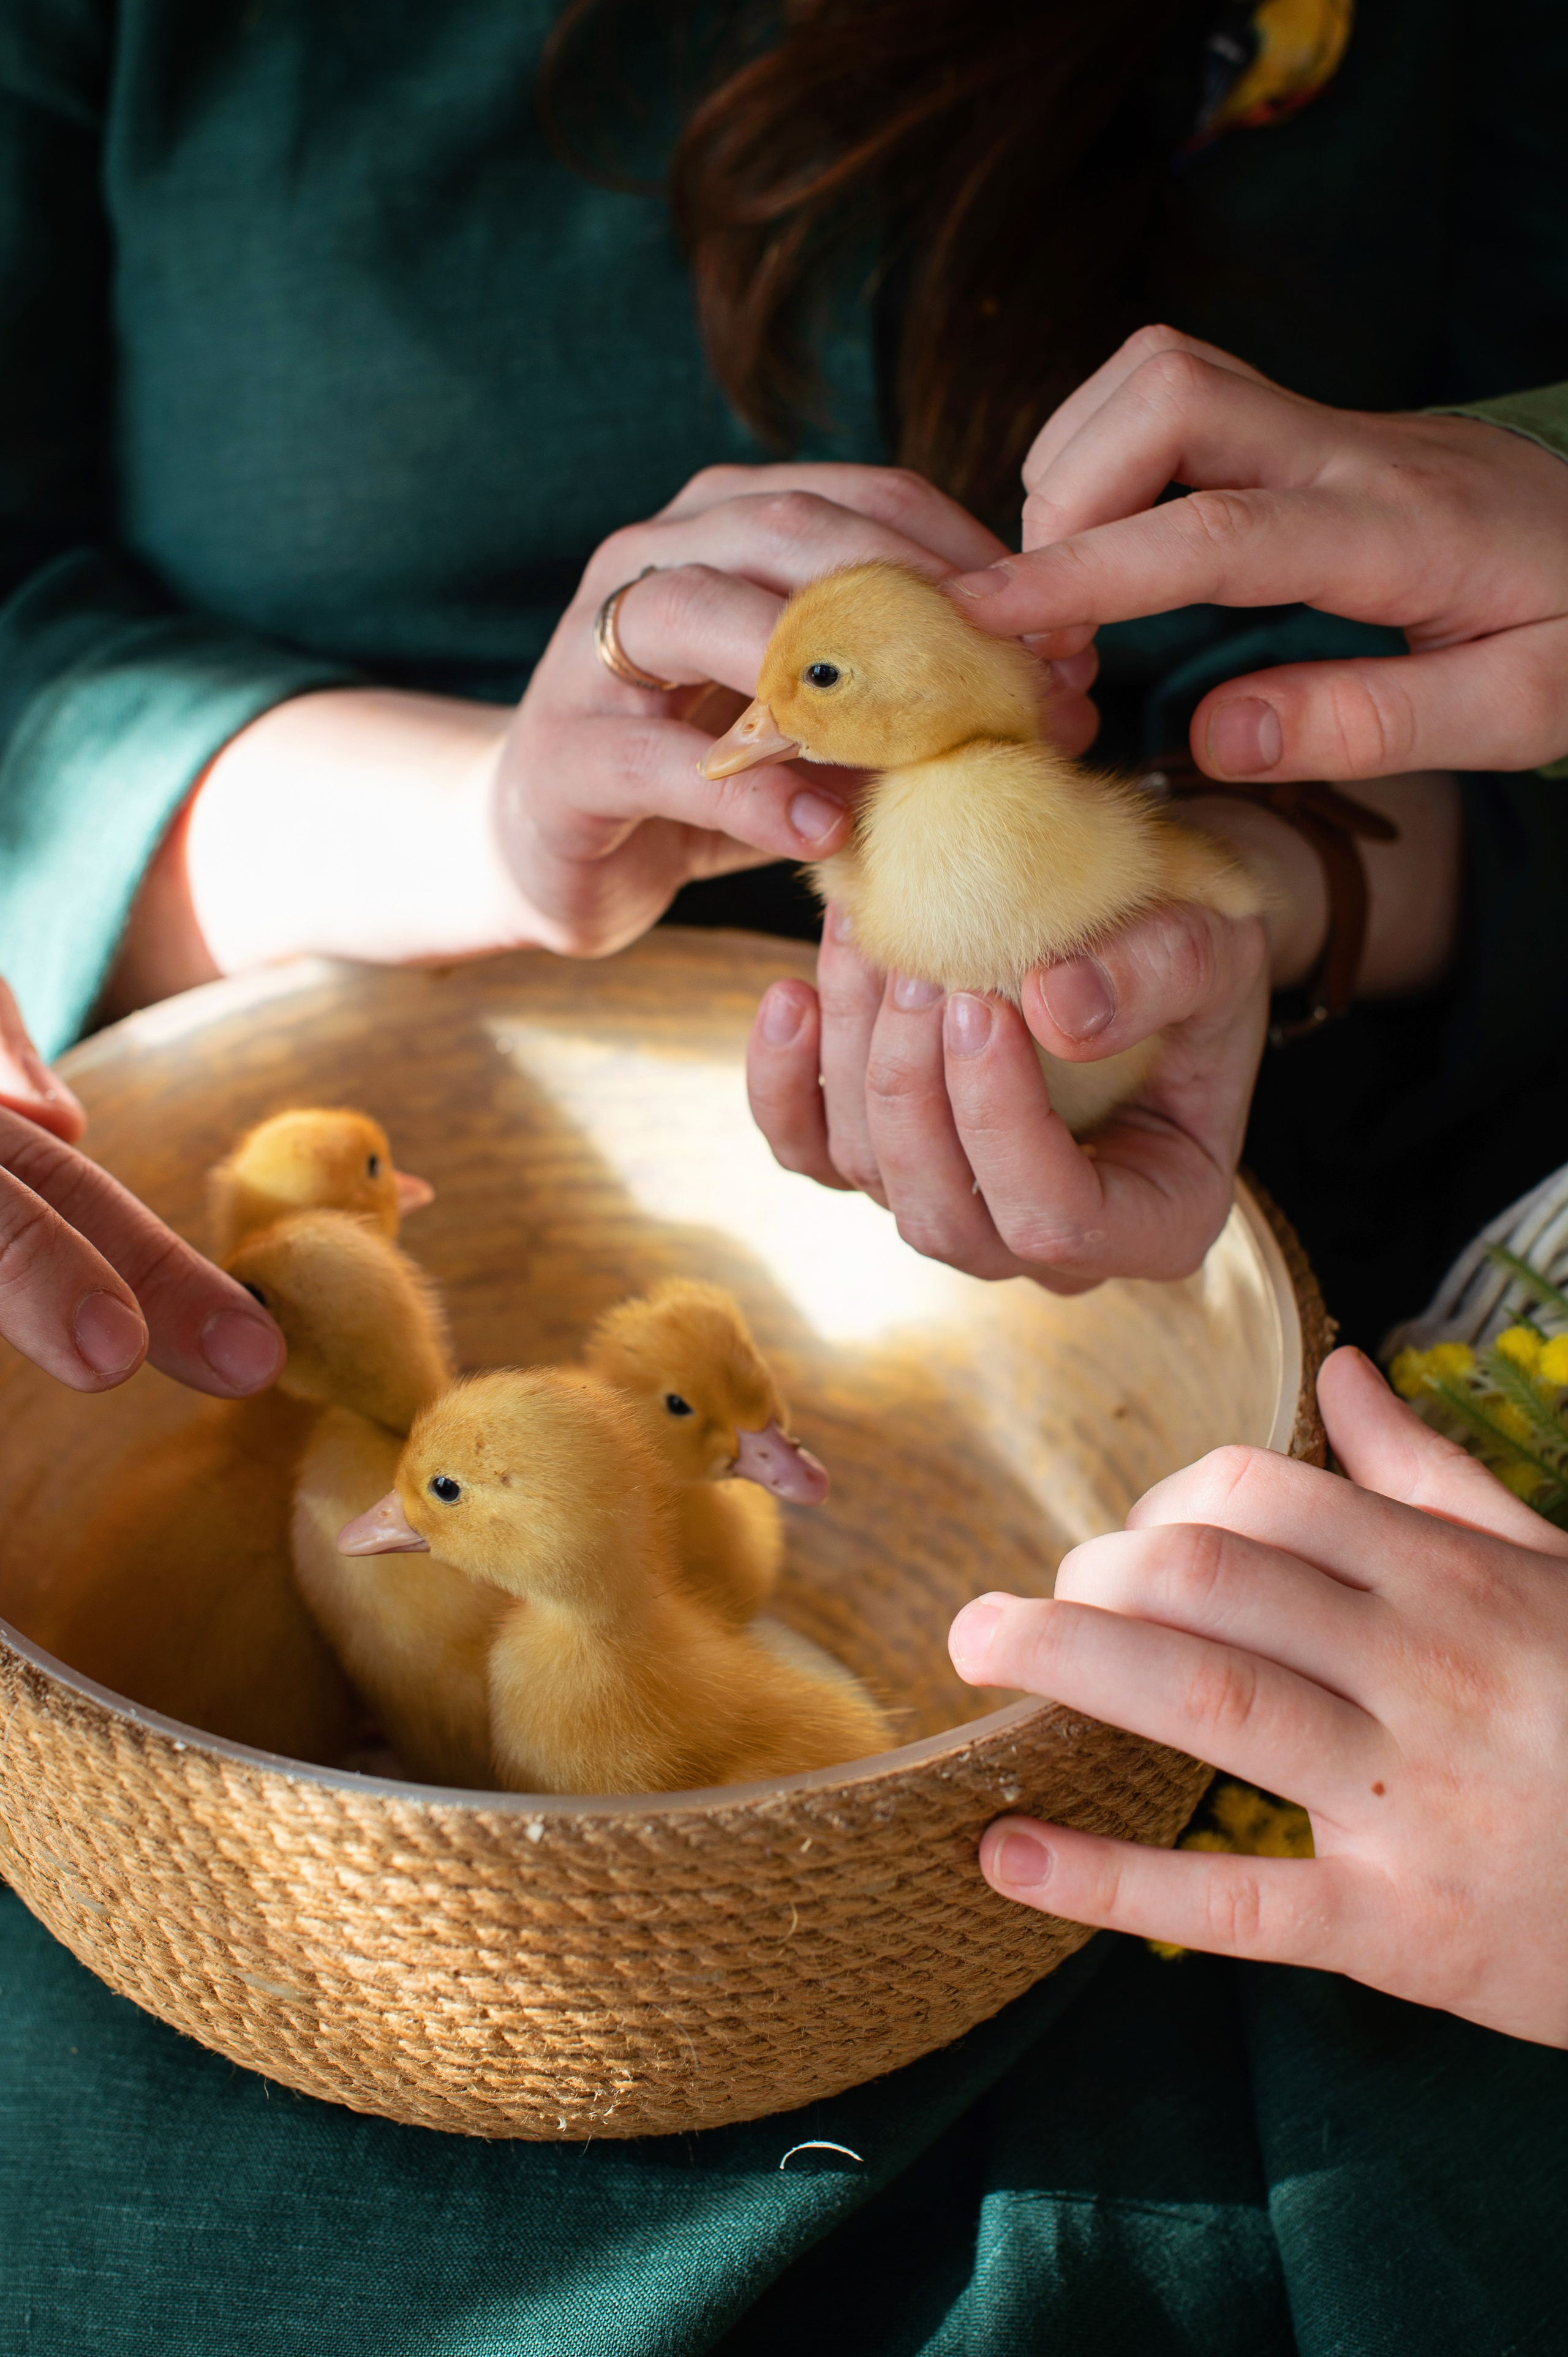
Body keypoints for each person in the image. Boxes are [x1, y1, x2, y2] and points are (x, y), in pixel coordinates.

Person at [4, 0, 1568, 2346]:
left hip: (1304, 1342)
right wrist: (498, 824)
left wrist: (1237, 892)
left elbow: (1504, 700)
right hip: (272, 997)